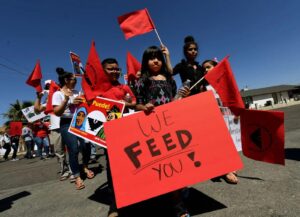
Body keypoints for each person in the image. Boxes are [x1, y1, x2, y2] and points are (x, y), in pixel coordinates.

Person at [135, 46, 190, 217]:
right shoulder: (142, 81)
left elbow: (175, 99)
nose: (156, 60)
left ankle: (177, 194)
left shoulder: (169, 79)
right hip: (153, 128)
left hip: (171, 124)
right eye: (151, 58)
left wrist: (183, 95)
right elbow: (137, 103)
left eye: (158, 57)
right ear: (146, 61)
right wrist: (145, 107)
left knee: (176, 162)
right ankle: (179, 208)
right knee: (164, 166)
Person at [96, 58, 136, 217]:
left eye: (116, 69)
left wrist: (125, 103)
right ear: (102, 70)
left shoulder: (124, 87)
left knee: (131, 162)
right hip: (107, 131)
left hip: (127, 129)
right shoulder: (96, 89)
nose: (115, 71)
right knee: (113, 167)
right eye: (110, 69)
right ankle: (115, 204)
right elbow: (92, 106)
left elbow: (134, 102)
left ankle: (135, 195)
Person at [52, 67, 94, 190]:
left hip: (80, 120)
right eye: (73, 79)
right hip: (66, 122)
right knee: (73, 149)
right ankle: (77, 176)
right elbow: (57, 112)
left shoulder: (77, 92)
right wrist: (68, 101)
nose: (76, 81)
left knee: (87, 145)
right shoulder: (58, 94)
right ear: (66, 80)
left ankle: (85, 166)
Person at [202, 59, 239, 184]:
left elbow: (233, 98)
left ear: (216, 67)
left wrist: (237, 111)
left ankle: (230, 165)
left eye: (208, 67)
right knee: (220, 144)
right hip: (214, 119)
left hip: (228, 116)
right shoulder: (204, 87)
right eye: (204, 69)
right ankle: (226, 170)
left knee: (230, 143)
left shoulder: (224, 83)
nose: (206, 70)